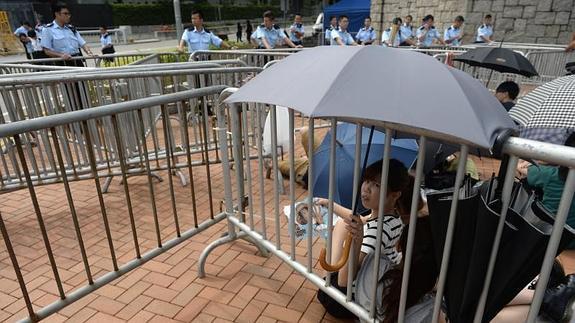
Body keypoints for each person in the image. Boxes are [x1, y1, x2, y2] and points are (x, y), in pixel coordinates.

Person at [516, 132, 575, 230]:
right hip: (570, 238)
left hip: (544, 231)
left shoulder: (550, 175)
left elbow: (519, 167)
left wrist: (547, 160)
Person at [41, 2, 94, 67]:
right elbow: (47, 50)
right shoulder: (48, 29)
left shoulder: (71, 28)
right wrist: (61, 55)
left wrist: (89, 52)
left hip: (77, 60)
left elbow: (82, 43)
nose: (68, 16)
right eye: (65, 14)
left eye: (69, 14)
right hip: (61, 63)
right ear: (57, 14)